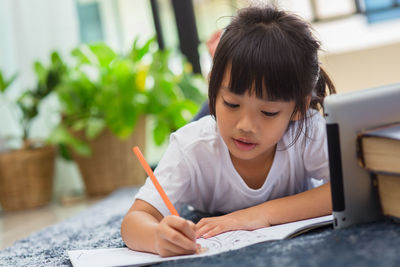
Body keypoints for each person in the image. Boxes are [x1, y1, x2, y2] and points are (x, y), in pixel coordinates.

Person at [121, 5, 336, 257]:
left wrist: (260, 214)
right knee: (208, 122)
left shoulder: (306, 129)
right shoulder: (190, 147)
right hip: (210, 126)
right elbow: (134, 221)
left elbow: (346, 188)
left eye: (268, 112)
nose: (246, 125)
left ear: (298, 108)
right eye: (232, 104)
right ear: (213, 89)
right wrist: (157, 238)